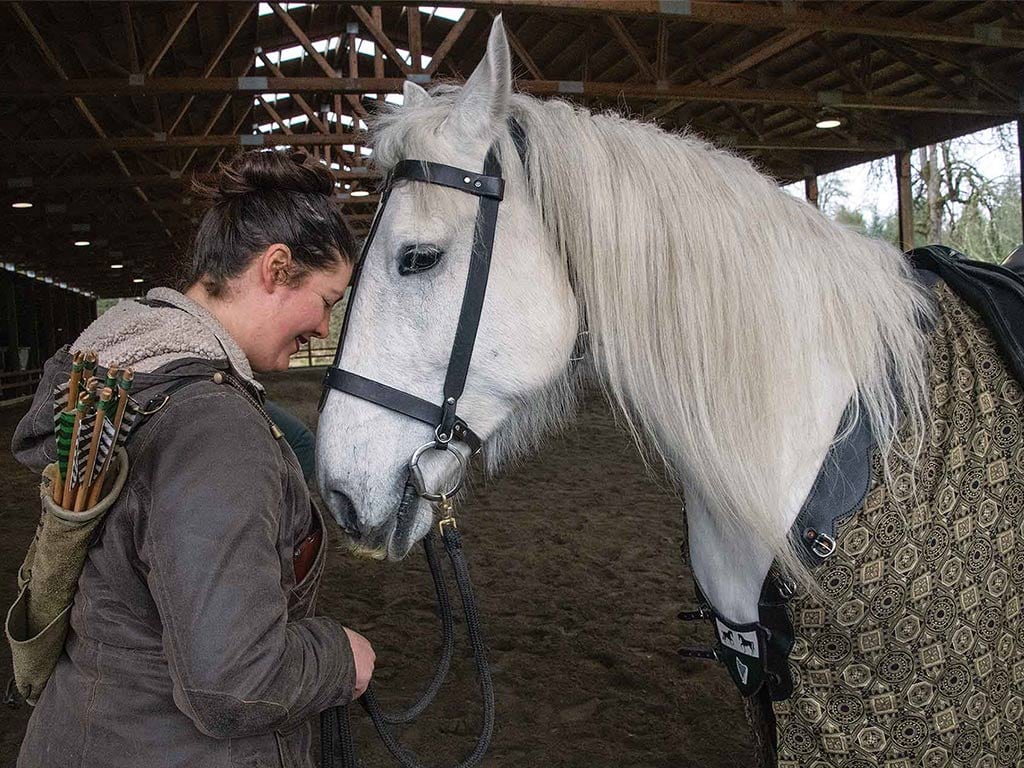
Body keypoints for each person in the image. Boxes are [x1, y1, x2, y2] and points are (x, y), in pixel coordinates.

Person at [11, 150, 374, 767]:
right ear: (277, 268)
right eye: (328, 299)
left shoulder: (129, 369)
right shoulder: (213, 427)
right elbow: (232, 683)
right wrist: (338, 653)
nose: (324, 325)